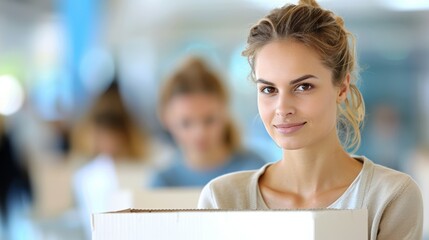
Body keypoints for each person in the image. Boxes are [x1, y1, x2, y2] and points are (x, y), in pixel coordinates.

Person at [198, 1, 423, 239]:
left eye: (303, 87)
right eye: (268, 90)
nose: (282, 108)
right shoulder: (222, 199)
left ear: (342, 87)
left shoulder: (390, 197)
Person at [150, 57, 265, 187]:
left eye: (209, 120)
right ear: (165, 119)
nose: (199, 133)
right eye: (186, 123)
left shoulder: (254, 170)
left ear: (225, 112)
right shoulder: (162, 182)